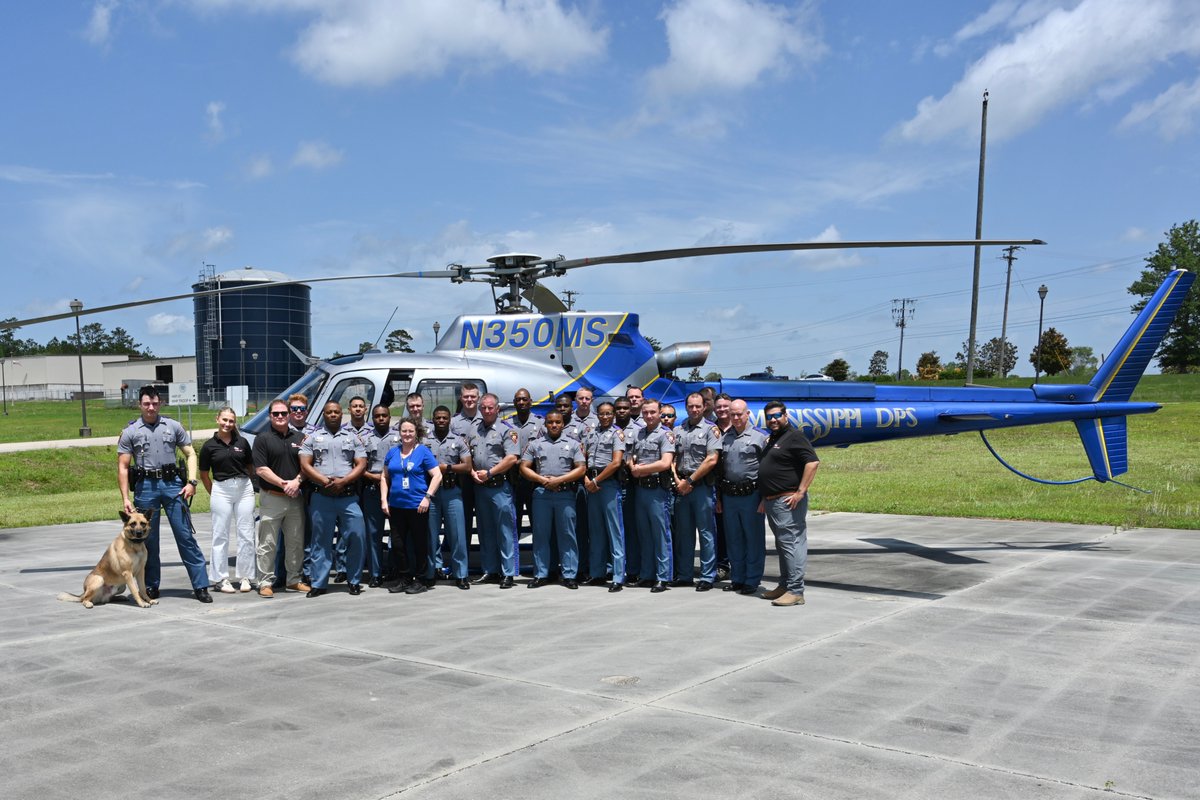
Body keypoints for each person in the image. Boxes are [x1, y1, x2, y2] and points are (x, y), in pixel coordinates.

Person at [117, 385, 212, 603]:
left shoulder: (173, 426)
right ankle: (150, 586)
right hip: (146, 488)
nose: (151, 407)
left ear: (160, 403)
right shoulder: (130, 431)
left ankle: (200, 586)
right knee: (148, 541)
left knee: (185, 536)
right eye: (146, 403)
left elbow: (190, 453)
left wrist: (192, 481)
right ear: (139, 404)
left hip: (173, 487)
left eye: (154, 403)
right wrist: (125, 498)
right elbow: (123, 467)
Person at [299, 401, 367, 597]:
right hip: (322, 496)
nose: (333, 415)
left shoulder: (353, 437)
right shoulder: (313, 437)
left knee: (357, 536)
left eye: (336, 412)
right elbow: (305, 463)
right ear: (324, 414)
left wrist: (343, 481)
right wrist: (324, 481)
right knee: (320, 541)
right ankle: (319, 583)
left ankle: (354, 580)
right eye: (329, 412)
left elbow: (361, 463)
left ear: (342, 413)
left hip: (348, 497)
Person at [758, 401, 820, 607]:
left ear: (786, 415)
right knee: (783, 545)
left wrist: (800, 492)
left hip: (787, 501)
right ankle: (784, 585)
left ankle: (796, 590)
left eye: (777, 415)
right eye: (769, 417)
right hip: (772, 501)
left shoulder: (795, 436)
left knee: (792, 544)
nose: (773, 420)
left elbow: (812, 462)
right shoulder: (775, 438)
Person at [520, 410, 586, 588]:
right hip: (542, 494)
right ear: (545, 424)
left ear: (563, 424)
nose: (554, 425)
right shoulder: (535, 444)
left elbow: (581, 468)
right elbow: (524, 467)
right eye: (550, 422)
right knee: (541, 535)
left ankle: (569, 574)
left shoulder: (573, 444)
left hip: (565, 494)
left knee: (567, 535)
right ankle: (541, 574)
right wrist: (542, 480)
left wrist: (559, 480)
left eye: (557, 422)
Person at [252, 399, 311, 597]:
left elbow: (308, 465)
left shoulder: (301, 437)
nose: (280, 417)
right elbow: (260, 469)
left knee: (295, 542)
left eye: (284, 413)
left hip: (296, 498)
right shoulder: (262, 438)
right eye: (276, 414)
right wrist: (284, 484)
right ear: (270, 416)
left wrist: (297, 482)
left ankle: (293, 580)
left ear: (289, 415)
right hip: (272, 497)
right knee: (267, 543)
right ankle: (265, 582)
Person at [382, 418, 443, 594]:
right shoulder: (393, 453)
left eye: (410, 431)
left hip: (417, 506)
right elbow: (384, 477)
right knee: (399, 545)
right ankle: (404, 577)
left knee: (419, 544)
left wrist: (427, 497)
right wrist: (384, 500)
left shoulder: (423, 451)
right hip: (396, 506)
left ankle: (421, 579)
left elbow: (437, 475)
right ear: (399, 433)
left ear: (416, 433)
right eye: (404, 431)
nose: (407, 434)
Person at [198, 406, 256, 594]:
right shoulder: (209, 446)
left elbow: (250, 466)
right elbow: (204, 475)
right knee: (220, 535)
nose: (227, 424)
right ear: (217, 419)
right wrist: (214, 493)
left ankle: (245, 576)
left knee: (246, 533)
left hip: (244, 488)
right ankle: (220, 578)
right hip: (221, 489)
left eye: (231, 421)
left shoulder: (242, 442)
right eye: (224, 420)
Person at [468, 392, 520, 588]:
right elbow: (467, 455)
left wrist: (490, 472)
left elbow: (512, 458)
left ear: (497, 409)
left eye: (490, 408)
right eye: (484, 408)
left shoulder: (507, 430)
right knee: (485, 530)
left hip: (500, 486)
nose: (487, 411)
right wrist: (472, 472)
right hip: (480, 487)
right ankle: (490, 570)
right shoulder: (474, 429)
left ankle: (508, 573)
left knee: (505, 531)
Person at [671, 392, 720, 591]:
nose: (694, 409)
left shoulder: (711, 429)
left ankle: (708, 576)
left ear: (704, 407)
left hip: (701, 488)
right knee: (684, 533)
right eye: (690, 406)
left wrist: (690, 481)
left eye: (698, 406)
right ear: (686, 407)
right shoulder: (678, 430)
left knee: (706, 533)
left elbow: (712, 459)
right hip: (682, 487)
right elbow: (672, 458)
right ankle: (684, 574)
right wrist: (678, 480)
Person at [718, 399, 767, 596]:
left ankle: (752, 579)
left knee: (753, 538)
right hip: (730, 495)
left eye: (739, 414)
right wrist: (720, 498)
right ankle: (737, 578)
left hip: (752, 495)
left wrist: (764, 498)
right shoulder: (723, 438)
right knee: (734, 539)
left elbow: (767, 469)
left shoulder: (760, 437)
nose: (736, 418)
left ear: (748, 414)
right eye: (733, 414)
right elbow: (720, 470)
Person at [626, 398, 675, 593]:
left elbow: (665, 463)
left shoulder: (665, 434)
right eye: (645, 412)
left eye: (652, 412)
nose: (648, 416)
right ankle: (647, 574)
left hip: (657, 490)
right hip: (641, 489)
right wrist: (633, 468)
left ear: (660, 413)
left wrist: (641, 470)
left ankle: (663, 577)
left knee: (660, 534)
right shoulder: (638, 433)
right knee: (644, 534)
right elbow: (629, 457)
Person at [424, 405, 473, 590]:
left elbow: (467, 466)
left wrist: (447, 468)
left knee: (457, 535)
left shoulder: (458, 441)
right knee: (431, 535)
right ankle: (432, 571)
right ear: (433, 419)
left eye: (444, 418)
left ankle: (460, 574)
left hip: (452, 492)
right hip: (432, 493)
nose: (441, 421)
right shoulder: (424, 441)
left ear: (449, 419)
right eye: (438, 418)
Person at [583, 401, 626, 592]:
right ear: (597, 415)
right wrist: (586, 480)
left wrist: (596, 481)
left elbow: (616, 462)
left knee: (614, 531)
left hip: (607, 484)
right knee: (596, 531)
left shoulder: (618, 434)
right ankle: (597, 573)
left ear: (614, 415)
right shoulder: (590, 433)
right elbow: (581, 459)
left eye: (609, 413)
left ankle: (618, 576)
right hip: (591, 484)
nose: (606, 417)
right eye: (602, 413)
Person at [360, 404, 398, 587]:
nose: (381, 418)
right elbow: (359, 466)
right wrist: (376, 478)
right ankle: (375, 573)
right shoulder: (365, 439)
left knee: (397, 532)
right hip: (373, 490)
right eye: (377, 416)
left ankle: (394, 568)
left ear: (390, 417)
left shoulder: (399, 437)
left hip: (395, 491)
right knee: (373, 533)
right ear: (372, 418)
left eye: (384, 415)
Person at [509, 387, 544, 546]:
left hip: (533, 481)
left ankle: (539, 565)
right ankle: (512, 567)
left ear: (531, 402)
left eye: (525, 399)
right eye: (518, 400)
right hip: (513, 480)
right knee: (512, 525)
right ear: (514, 403)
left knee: (538, 523)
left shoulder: (541, 423)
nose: (521, 402)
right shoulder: (507, 424)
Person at [613, 397, 640, 582]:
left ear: (630, 410)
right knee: (613, 530)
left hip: (630, 485)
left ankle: (632, 569)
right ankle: (613, 568)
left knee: (631, 530)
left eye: (625, 408)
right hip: (610, 484)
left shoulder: (638, 431)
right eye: (619, 408)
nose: (622, 411)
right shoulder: (607, 429)